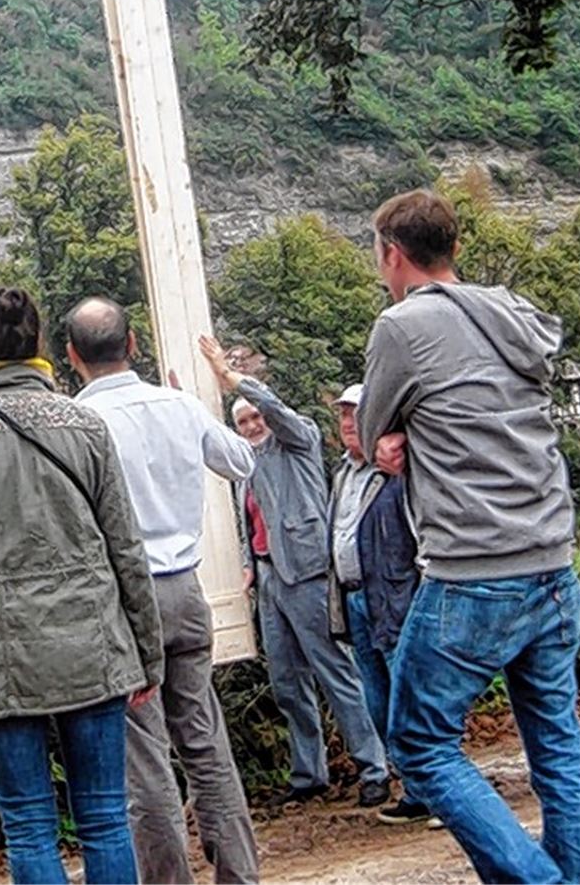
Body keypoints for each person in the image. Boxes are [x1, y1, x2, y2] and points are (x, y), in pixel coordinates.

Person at [360, 188, 579, 884]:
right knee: (557, 744)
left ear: (392, 253)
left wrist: (395, 440)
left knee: (421, 743)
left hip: (472, 567)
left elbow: (369, 433)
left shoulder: (402, 327)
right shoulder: (513, 310)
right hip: (552, 557)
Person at [0, 287, 164, 885]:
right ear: (41, 346)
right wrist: (147, 656)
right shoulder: (86, 424)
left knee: (27, 827)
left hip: (0, 661)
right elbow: (125, 548)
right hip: (94, 647)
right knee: (104, 817)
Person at [68, 297, 259, 885]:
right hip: (186, 589)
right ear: (132, 346)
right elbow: (242, 461)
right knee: (204, 740)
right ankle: (239, 872)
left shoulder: (77, 423)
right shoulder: (178, 406)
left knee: (146, 757)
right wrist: (193, 409)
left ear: (73, 357)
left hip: (126, 602)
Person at [198, 335, 390, 809]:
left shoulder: (297, 440)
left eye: (256, 419)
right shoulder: (247, 463)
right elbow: (248, 520)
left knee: (334, 672)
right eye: (243, 422)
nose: (252, 426)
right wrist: (245, 565)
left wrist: (232, 378)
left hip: (306, 573)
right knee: (287, 681)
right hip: (269, 579)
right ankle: (310, 774)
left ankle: (374, 766)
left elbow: (277, 411)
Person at [325, 384, 428, 825]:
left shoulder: (399, 471)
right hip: (355, 600)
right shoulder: (343, 474)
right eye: (344, 416)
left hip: (394, 600)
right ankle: (412, 787)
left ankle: (431, 790)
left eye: (356, 415)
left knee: (410, 696)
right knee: (378, 700)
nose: (349, 424)